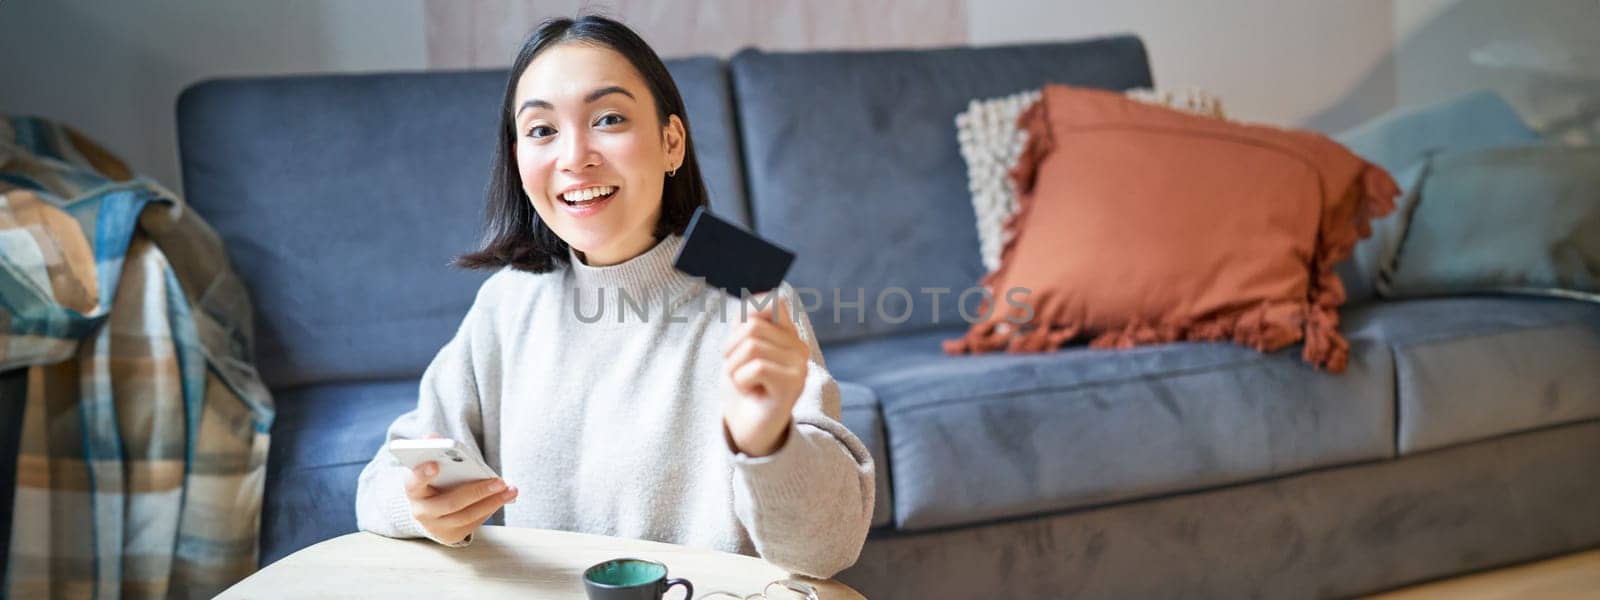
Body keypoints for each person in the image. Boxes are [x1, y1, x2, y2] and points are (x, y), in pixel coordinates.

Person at [353, 14, 875, 579]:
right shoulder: (507, 303)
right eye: (542, 130)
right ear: (519, 159)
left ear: (671, 142)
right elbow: (384, 480)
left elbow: (828, 550)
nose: (575, 156)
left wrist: (770, 445)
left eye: (608, 118)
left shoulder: (747, 291)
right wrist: (421, 504)